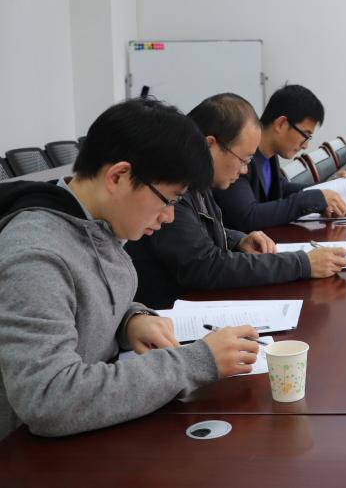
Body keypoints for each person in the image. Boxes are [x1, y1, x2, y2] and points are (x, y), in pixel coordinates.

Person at [0, 98, 260, 439]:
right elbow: (50, 398)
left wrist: (130, 320)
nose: (169, 216)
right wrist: (197, 361)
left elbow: (79, 305)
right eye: (168, 199)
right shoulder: (36, 255)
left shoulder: (98, 224)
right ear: (119, 176)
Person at [126, 93, 346, 309]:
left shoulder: (199, 183)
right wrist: (301, 264)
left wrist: (236, 240)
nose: (244, 171)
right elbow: (205, 266)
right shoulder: (171, 188)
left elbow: (197, 230)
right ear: (210, 145)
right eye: (243, 160)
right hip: (166, 316)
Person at [214, 84, 346, 232]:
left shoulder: (269, 155)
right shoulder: (239, 158)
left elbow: (282, 188)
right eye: (305, 135)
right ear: (281, 124)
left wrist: (327, 189)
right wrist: (313, 199)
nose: (305, 146)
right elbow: (247, 216)